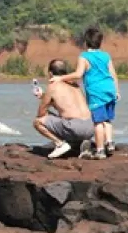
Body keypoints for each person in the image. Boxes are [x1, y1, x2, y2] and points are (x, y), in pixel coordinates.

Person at [50, 26, 121, 159]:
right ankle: (110, 142)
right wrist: (117, 90)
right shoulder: (106, 56)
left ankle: (100, 150)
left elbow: (78, 74)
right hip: (110, 90)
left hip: (96, 93)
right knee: (107, 120)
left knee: (97, 122)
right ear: (100, 42)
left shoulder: (84, 56)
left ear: (86, 41)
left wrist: (61, 77)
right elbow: (113, 74)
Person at [33, 59, 95, 159]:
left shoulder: (52, 86)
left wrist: (44, 98)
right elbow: (66, 105)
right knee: (66, 119)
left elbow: (41, 113)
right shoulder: (74, 84)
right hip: (91, 127)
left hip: (75, 127)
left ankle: (60, 144)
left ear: (50, 73)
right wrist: (43, 96)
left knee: (38, 122)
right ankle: (82, 142)